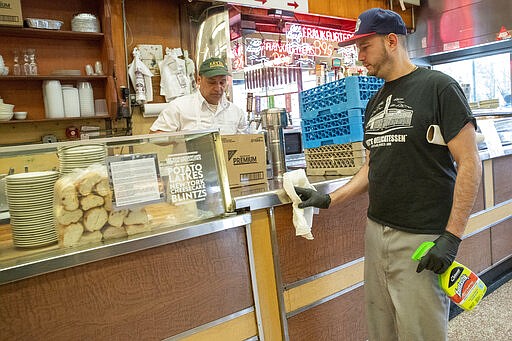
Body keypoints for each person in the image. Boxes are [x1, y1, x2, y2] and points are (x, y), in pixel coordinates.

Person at [295, 8, 482, 341]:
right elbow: (373, 166)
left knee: (420, 333)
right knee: (382, 331)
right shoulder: (375, 100)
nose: (360, 56)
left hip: (421, 239)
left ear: (391, 41)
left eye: (365, 47)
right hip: (376, 232)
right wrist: (329, 199)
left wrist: (451, 238)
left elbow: (469, 162)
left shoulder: (439, 87)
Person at [150, 57, 247, 134]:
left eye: (222, 82)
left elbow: (243, 143)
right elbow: (154, 134)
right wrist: (182, 139)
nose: (218, 88)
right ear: (199, 80)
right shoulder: (179, 107)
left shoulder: (236, 112)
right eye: (212, 82)